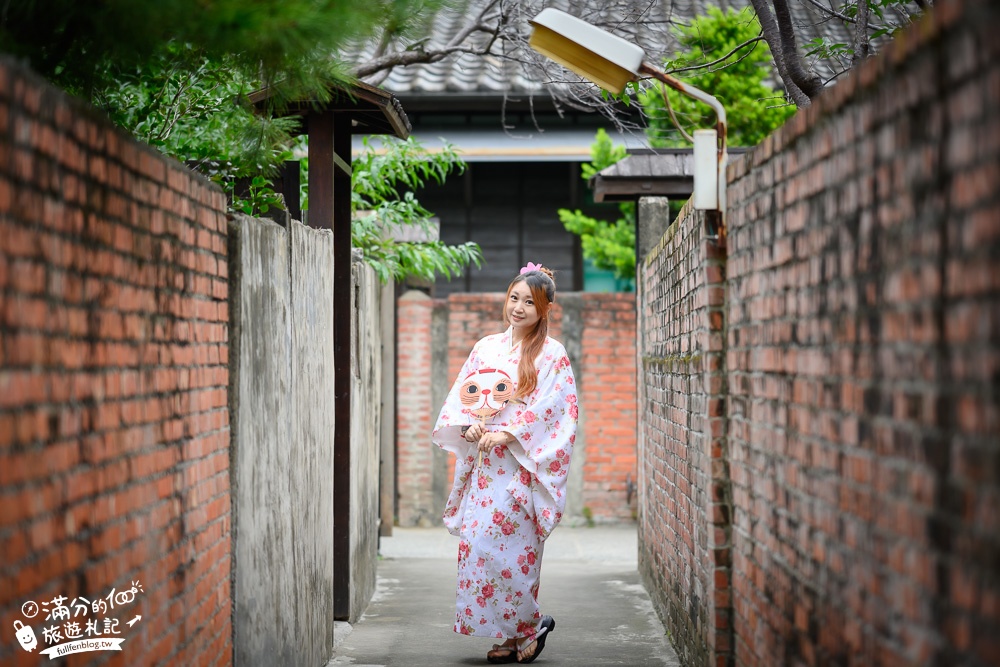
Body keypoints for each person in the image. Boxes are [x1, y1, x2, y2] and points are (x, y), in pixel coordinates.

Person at [432, 262, 579, 664]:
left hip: (520, 470)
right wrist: (471, 430)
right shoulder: (486, 347)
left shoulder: (553, 355)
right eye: (513, 298)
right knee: (478, 548)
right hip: (485, 469)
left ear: (544, 309)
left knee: (513, 552)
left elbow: (557, 410)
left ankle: (528, 628)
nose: (518, 307)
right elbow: (463, 399)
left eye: (528, 302)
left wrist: (510, 433)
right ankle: (507, 632)